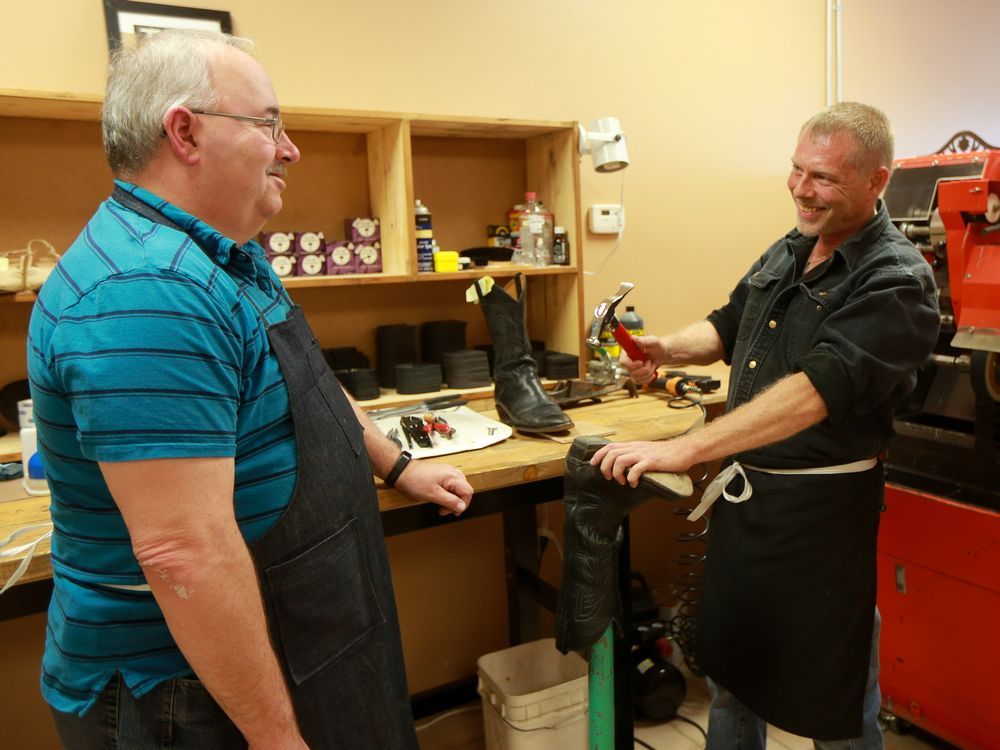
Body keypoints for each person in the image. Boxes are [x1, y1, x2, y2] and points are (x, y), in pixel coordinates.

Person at [26, 30, 472, 749]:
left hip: (280, 639)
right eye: (268, 125)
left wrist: (400, 464)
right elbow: (184, 553)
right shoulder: (147, 290)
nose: (290, 149)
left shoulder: (222, 255)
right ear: (184, 132)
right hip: (183, 694)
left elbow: (308, 389)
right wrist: (276, 738)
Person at [592, 102, 939, 747]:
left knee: (833, 696)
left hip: (822, 517)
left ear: (877, 181)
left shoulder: (897, 280)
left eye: (824, 178)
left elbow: (813, 393)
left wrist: (687, 449)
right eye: (797, 169)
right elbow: (730, 324)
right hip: (748, 504)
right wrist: (664, 349)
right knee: (732, 674)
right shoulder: (792, 247)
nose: (801, 190)